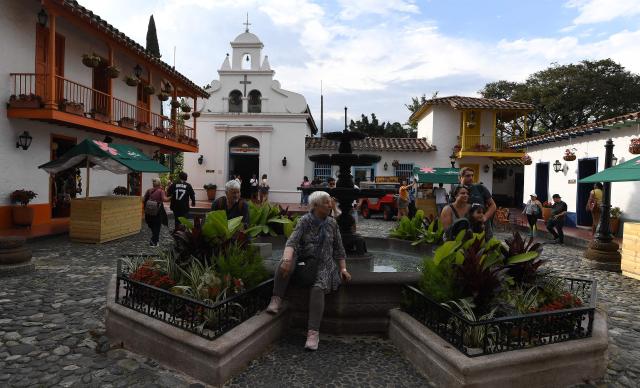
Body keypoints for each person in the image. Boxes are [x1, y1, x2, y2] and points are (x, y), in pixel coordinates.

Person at [265, 191, 352, 350]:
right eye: (326, 202)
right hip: (305, 260)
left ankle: (313, 333)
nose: (329, 204)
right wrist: (286, 259)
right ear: (316, 205)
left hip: (325, 263)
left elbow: (339, 249)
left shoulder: (332, 223)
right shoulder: (305, 221)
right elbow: (292, 241)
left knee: (318, 289)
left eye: (329, 202)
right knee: (285, 263)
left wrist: (343, 269)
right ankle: (276, 298)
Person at [458, 167, 497, 240]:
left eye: (472, 175)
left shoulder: (480, 188)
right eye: (468, 176)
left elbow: (493, 205)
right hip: (465, 227)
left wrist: (485, 217)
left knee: (487, 247)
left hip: (483, 227)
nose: (471, 178)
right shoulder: (456, 191)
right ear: (460, 177)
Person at [143, 178, 170, 247]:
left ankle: (155, 240)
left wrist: (150, 202)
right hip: (157, 211)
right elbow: (164, 199)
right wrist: (171, 197)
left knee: (152, 225)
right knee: (157, 226)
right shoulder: (161, 191)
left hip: (149, 211)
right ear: (159, 183)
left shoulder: (149, 190)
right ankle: (153, 242)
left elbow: (143, 199)